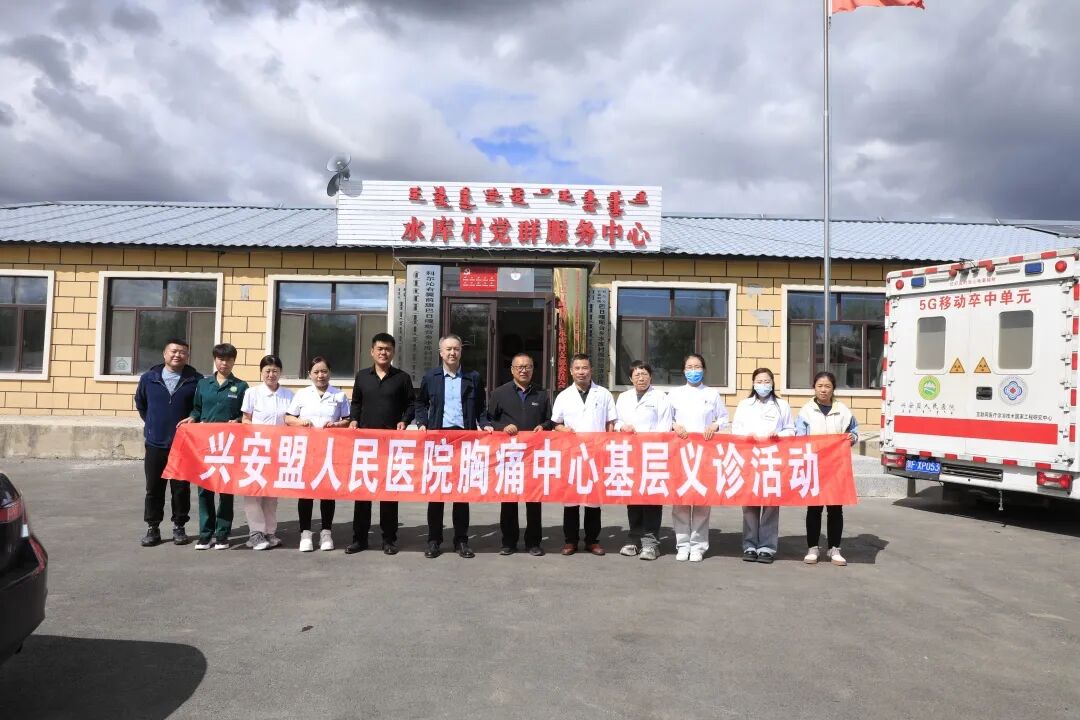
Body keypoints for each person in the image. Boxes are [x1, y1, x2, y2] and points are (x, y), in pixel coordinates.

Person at [414, 334, 491, 559]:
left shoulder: (473, 377)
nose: (452, 353)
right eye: (448, 349)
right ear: (441, 352)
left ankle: (461, 540)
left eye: (456, 349)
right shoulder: (431, 377)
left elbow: (481, 407)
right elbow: (421, 403)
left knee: (461, 492)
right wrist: (422, 422)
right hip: (439, 439)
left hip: (464, 439)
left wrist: (484, 424)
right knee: (436, 492)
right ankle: (434, 540)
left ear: (461, 351)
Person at [346, 332, 413, 556]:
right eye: (380, 349)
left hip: (391, 444)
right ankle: (359, 539)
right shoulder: (362, 376)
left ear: (393, 352)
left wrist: (405, 421)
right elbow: (356, 402)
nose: (383, 352)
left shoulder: (402, 378)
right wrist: (354, 419)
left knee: (388, 493)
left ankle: (389, 539)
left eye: (388, 349)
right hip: (366, 444)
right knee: (363, 493)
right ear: (372, 351)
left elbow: (411, 405)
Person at [135, 338, 202, 547]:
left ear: (187, 356)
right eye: (173, 351)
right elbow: (141, 404)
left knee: (180, 488)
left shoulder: (196, 380)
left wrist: (193, 418)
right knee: (154, 488)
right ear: (165, 354)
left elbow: (199, 407)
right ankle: (152, 527)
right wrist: (153, 424)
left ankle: (179, 526)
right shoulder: (149, 378)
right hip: (155, 442)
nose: (177, 355)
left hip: (183, 444)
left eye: (182, 352)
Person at [181, 343, 248, 550]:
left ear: (234, 361)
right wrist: (192, 418)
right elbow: (197, 408)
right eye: (220, 359)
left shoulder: (241, 386)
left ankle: (222, 534)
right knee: (205, 490)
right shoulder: (203, 384)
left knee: (226, 490)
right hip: (206, 446)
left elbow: (245, 414)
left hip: (229, 446)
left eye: (228, 359)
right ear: (215, 360)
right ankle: (205, 533)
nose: (224, 363)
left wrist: (238, 421)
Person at [487, 352, 552, 557]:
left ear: (533, 369)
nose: (524, 370)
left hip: (533, 455)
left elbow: (550, 420)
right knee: (509, 499)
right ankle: (508, 542)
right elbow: (488, 420)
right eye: (519, 367)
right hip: (509, 455)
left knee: (534, 500)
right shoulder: (500, 393)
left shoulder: (541, 394)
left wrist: (543, 426)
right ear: (512, 370)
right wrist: (502, 427)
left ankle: (533, 542)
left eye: (528, 367)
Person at [551, 353, 616, 556]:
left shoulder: (603, 394)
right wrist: (563, 429)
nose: (581, 372)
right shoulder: (564, 396)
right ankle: (570, 541)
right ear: (571, 371)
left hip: (596, 454)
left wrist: (608, 447)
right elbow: (555, 424)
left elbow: (610, 423)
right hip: (572, 455)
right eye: (577, 368)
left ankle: (592, 541)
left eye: (585, 368)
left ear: (591, 370)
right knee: (571, 499)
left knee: (593, 500)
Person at [285, 357, 351, 552]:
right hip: (307, 450)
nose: (320, 375)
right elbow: (288, 418)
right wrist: (300, 422)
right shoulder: (302, 394)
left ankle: (326, 533)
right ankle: (305, 533)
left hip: (330, 450)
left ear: (330, 372)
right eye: (316, 372)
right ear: (309, 374)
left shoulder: (339, 395)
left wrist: (337, 424)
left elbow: (348, 420)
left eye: (324, 371)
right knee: (306, 492)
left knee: (327, 492)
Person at [669, 353, 729, 562]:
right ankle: (682, 544)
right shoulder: (674, 394)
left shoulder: (712, 394)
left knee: (702, 500)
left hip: (705, 453)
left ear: (703, 370)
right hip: (681, 453)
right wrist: (674, 426)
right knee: (681, 500)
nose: (693, 371)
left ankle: (698, 546)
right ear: (683, 370)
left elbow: (724, 418)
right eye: (689, 367)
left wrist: (715, 425)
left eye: (697, 367)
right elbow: (666, 419)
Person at [732, 367, 795, 564]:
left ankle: (767, 547)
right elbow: (736, 430)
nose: (763, 385)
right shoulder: (744, 405)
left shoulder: (782, 405)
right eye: (759, 381)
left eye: (767, 381)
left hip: (772, 459)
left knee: (770, 504)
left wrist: (779, 435)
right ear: (753, 383)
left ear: (773, 383)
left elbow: (791, 430)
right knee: (749, 502)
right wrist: (748, 436)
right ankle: (750, 545)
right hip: (750, 459)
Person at [796, 371, 859, 567]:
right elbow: (799, 437)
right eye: (820, 386)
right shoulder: (806, 411)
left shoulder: (843, 410)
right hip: (814, 465)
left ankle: (834, 548)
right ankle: (813, 548)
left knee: (835, 508)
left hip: (836, 466)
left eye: (827, 386)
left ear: (833, 389)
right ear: (814, 388)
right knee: (814, 508)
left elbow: (854, 431)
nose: (823, 390)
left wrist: (852, 438)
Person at [614, 360, 672, 561]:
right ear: (631, 378)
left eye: (644, 374)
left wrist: (650, 441)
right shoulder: (623, 397)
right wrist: (622, 427)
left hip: (652, 454)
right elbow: (616, 421)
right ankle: (634, 538)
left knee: (651, 498)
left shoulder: (660, 397)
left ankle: (651, 543)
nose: (641, 378)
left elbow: (665, 426)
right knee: (633, 498)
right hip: (630, 454)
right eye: (637, 375)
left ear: (651, 377)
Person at [240, 354, 293, 551]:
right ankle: (255, 533)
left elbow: (291, 421)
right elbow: (246, 419)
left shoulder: (289, 395)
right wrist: (258, 432)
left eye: (275, 371)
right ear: (261, 372)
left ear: (280, 372)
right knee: (253, 491)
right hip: (256, 448)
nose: (271, 374)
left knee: (271, 493)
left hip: (278, 450)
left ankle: (270, 532)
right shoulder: (252, 393)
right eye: (267, 371)